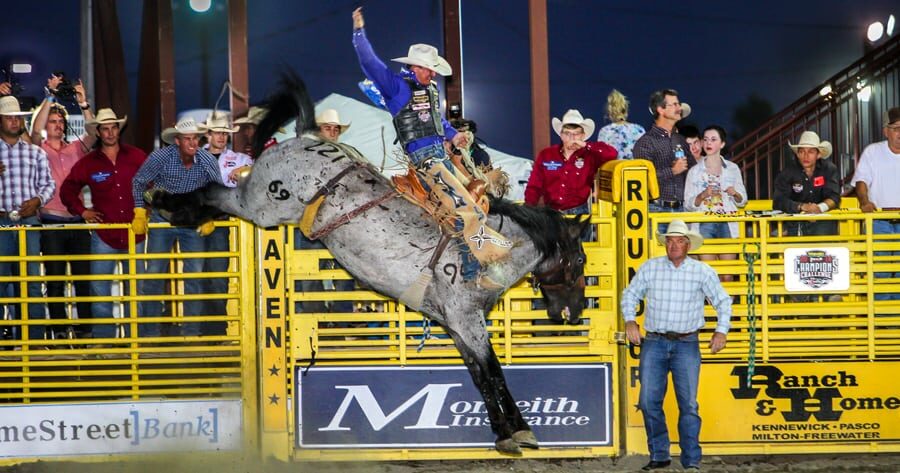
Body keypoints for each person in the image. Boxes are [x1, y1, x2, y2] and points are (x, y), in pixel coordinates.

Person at [352, 6, 511, 288]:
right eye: (429, 69)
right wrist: (359, 32)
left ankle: (481, 258)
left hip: (440, 156)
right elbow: (370, 63)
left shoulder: (429, 90)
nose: (433, 74)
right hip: (426, 161)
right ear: (416, 67)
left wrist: (453, 135)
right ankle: (473, 274)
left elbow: (436, 122)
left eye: (434, 70)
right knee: (465, 209)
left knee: (478, 197)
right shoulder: (396, 86)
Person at [621, 219, 731, 471]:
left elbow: (722, 301)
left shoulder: (702, 271)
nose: (674, 245)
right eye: (670, 240)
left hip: (686, 342)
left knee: (688, 404)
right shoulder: (651, 268)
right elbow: (630, 294)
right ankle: (660, 455)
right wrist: (630, 320)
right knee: (649, 401)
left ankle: (691, 459)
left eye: (679, 240)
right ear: (665, 243)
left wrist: (721, 331)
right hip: (656, 341)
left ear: (688, 245)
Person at [131, 117, 224, 337]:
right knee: (154, 275)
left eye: (195, 139)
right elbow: (138, 181)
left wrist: (208, 215)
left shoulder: (206, 159)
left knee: (195, 276)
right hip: (163, 217)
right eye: (187, 139)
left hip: (192, 219)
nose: (192, 144)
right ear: (177, 141)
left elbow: (217, 189)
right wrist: (139, 211)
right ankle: (150, 334)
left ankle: (191, 333)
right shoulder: (161, 157)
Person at [61, 108, 147, 340]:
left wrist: (145, 210)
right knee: (100, 289)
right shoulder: (88, 162)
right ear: (98, 132)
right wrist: (82, 211)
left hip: (133, 231)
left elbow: (154, 184)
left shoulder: (137, 156)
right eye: (105, 129)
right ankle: (105, 339)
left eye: (113, 127)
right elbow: (67, 189)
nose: (110, 133)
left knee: (135, 289)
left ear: (119, 130)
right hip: (105, 232)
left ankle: (134, 339)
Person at [29, 76, 96, 339]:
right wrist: (50, 95)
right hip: (51, 221)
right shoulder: (38, 150)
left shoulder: (76, 148)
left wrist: (83, 103)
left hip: (77, 221)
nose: (57, 125)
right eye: (53, 122)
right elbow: (34, 131)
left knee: (83, 279)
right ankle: (58, 330)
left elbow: (93, 133)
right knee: (55, 281)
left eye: (60, 122)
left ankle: (85, 332)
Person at [0, 96, 55, 343]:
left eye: (18, 117)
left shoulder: (36, 153)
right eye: (10, 117)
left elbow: (49, 185)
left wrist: (38, 201)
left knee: (31, 283)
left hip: (29, 222)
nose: (14, 121)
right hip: (1, 222)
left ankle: (32, 342)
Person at [294, 109, 356, 314]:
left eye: (335, 129)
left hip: (337, 223)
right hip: (313, 223)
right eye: (327, 128)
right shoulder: (308, 155)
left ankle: (340, 320)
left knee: (344, 272)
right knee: (311, 275)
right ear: (319, 131)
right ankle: (318, 320)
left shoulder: (346, 155)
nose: (332, 132)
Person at [201, 112, 253, 335]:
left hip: (220, 221)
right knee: (196, 273)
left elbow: (257, 171)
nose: (221, 137)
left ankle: (214, 328)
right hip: (196, 218)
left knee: (216, 274)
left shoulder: (240, 159)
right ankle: (199, 326)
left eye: (224, 133)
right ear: (208, 135)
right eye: (217, 133)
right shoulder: (192, 157)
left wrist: (244, 172)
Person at [525, 109, 617, 217]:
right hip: (551, 215)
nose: (572, 138)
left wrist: (586, 145)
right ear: (561, 135)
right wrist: (528, 210)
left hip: (579, 216)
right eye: (567, 133)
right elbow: (534, 186)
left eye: (576, 134)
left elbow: (612, 153)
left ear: (583, 136)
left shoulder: (590, 156)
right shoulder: (546, 155)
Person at [683, 126, 747, 278]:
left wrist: (735, 193)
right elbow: (688, 203)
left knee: (728, 274)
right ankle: (711, 302)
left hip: (727, 221)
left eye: (713, 139)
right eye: (705, 139)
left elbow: (742, 200)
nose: (708, 143)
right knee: (708, 274)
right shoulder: (694, 171)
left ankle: (727, 302)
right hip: (704, 221)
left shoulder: (732, 168)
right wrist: (702, 195)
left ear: (722, 144)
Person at [851, 107, 900, 301]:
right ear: (885, 131)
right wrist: (865, 201)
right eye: (896, 128)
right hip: (881, 220)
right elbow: (861, 181)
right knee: (880, 273)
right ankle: (881, 324)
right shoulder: (873, 152)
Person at [632, 89, 696, 230]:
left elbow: (693, 169)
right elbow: (642, 180)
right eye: (674, 104)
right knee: (656, 252)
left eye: (678, 104)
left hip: (682, 209)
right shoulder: (645, 142)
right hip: (656, 210)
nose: (679, 108)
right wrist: (672, 171)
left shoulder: (680, 139)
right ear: (660, 109)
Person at [772, 131, 840, 236]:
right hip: (794, 222)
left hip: (823, 221)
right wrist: (801, 206)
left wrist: (819, 208)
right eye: (802, 151)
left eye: (811, 152)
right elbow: (778, 200)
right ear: (798, 154)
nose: (805, 156)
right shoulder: (787, 172)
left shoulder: (829, 169)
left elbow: (834, 197)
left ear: (818, 155)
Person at [595, 89, 646, 159]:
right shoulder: (639, 130)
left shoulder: (605, 131)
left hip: (615, 169)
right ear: (626, 110)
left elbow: (600, 158)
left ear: (609, 112)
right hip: (637, 169)